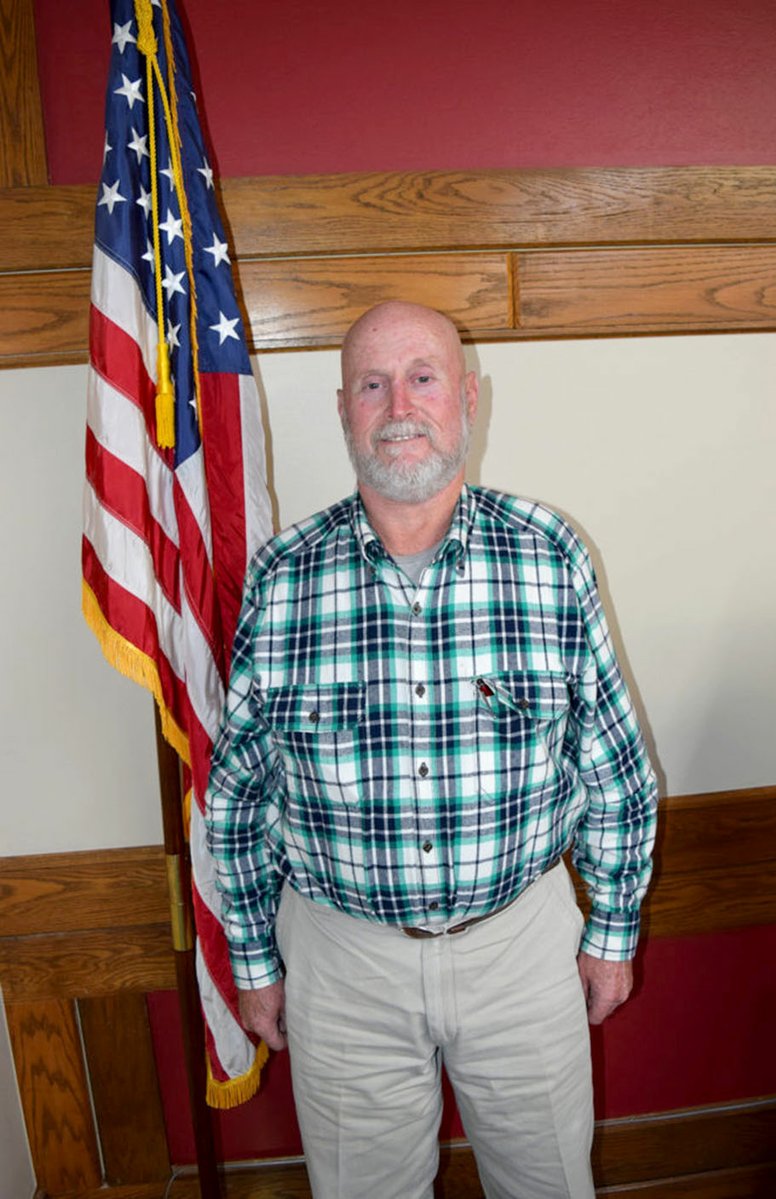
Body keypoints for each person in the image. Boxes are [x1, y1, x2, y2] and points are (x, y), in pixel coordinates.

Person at [206, 301, 658, 1199]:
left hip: (520, 948)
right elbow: (238, 797)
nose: (399, 404)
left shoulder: (551, 555)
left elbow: (616, 769)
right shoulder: (282, 576)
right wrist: (254, 962)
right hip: (341, 965)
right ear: (343, 410)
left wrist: (611, 933)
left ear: (468, 399)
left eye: (423, 378)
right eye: (372, 384)